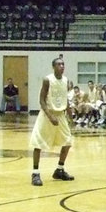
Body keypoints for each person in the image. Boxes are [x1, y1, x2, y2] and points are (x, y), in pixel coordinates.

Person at [29, 57, 76, 186]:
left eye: (63, 64)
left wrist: (70, 117)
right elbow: (42, 101)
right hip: (47, 114)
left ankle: (59, 170)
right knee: (38, 144)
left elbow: (65, 100)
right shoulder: (47, 80)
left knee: (67, 141)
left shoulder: (66, 81)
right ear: (53, 67)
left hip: (60, 115)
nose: (62, 66)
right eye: (59, 64)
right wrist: (50, 116)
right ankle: (35, 173)